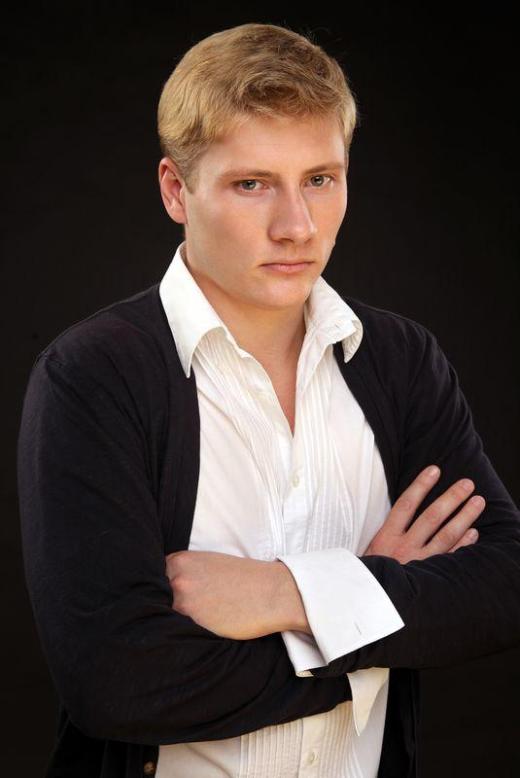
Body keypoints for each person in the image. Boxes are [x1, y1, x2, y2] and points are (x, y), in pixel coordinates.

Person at [17, 22, 520, 778]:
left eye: (320, 178)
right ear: (176, 190)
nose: (297, 227)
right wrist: (370, 615)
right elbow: (117, 682)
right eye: (252, 184)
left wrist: (285, 593)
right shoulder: (93, 375)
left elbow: (504, 584)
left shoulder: (400, 359)